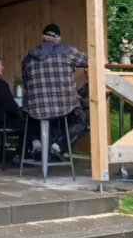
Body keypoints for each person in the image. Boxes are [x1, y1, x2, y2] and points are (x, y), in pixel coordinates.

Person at [21, 24, 88, 162]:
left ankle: (37, 145)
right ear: (58, 38)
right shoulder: (68, 51)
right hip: (65, 106)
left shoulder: (28, 58)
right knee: (81, 120)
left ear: (42, 37)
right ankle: (57, 146)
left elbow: (27, 84)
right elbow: (89, 61)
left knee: (28, 114)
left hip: (37, 108)